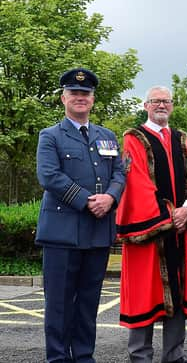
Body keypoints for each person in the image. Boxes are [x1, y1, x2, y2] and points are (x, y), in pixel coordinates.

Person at [35, 68, 125, 363]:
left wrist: (111, 197)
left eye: (85, 94)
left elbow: (120, 173)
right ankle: (59, 359)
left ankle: (84, 356)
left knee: (88, 302)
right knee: (59, 304)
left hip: (97, 232)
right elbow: (49, 176)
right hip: (61, 233)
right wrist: (88, 200)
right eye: (74, 93)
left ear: (93, 99)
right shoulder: (50, 136)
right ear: (63, 98)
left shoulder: (107, 137)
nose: (80, 98)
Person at [116, 85, 187, 363]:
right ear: (146, 105)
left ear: (172, 106)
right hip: (148, 233)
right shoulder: (134, 138)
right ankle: (140, 355)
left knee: (176, 293)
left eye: (166, 101)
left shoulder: (181, 139)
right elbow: (136, 182)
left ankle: (174, 356)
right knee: (144, 293)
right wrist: (169, 216)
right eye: (155, 101)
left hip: (177, 233)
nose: (161, 105)